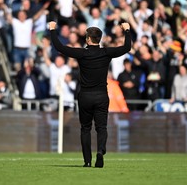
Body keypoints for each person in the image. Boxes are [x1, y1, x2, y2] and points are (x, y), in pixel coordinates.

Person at [48, 20, 131, 168]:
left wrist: (53, 29)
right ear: (99, 39)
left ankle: (87, 161)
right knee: (101, 127)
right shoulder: (106, 52)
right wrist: (127, 30)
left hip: (85, 96)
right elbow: (126, 47)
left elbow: (59, 47)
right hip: (101, 95)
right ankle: (100, 151)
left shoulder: (82, 53)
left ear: (87, 39)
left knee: (85, 128)